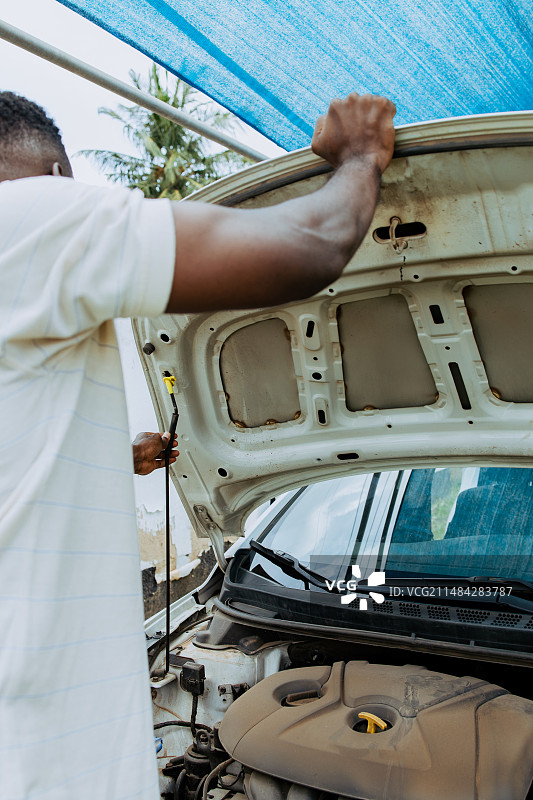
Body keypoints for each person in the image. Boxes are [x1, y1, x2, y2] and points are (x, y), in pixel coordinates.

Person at [0, 89, 395, 799]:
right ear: (56, 177)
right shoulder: (29, 211)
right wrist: (362, 154)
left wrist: (114, 457)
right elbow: (308, 247)